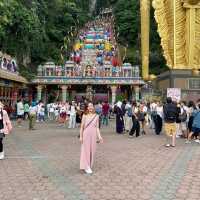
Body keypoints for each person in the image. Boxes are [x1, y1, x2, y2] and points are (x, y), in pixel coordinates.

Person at [80, 102, 103, 174]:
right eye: (89, 106)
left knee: (92, 150)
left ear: (93, 107)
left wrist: (99, 137)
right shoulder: (84, 115)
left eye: (91, 106)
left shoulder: (96, 116)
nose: (90, 107)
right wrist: (81, 136)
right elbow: (81, 127)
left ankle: (89, 165)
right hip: (86, 134)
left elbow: (97, 128)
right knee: (85, 150)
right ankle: (86, 166)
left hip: (93, 135)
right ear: (87, 107)